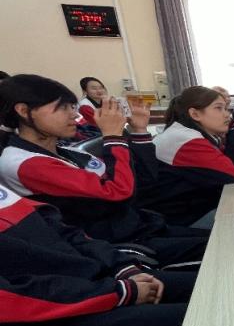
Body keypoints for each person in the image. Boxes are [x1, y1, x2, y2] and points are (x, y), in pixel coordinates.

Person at [0, 74, 207, 266]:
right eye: (62, 108)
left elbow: (144, 182)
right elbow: (118, 193)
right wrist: (113, 136)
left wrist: (138, 130)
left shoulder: (69, 153)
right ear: (24, 111)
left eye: (72, 106)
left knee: (216, 240)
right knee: (215, 250)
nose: (74, 114)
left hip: (138, 227)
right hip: (114, 248)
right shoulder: (23, 163)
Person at [0, 184, 193, 326]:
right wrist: (119, 292)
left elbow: (68, 233)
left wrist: (122, 268)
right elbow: (10, 301)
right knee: (202, 323)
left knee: (205, 291)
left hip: (96, 287)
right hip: (46, 325)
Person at [138, 86, 234, 227]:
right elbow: (233, 172)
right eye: (219, 108)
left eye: (226, 108)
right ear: (195, 114)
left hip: (186, 210)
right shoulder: (185, 140)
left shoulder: (186, 133)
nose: (227, 115)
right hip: (174, 222)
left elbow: (227, 161)